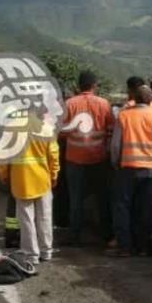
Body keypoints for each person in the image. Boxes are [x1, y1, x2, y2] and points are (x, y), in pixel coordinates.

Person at [108, 85, 152, 257]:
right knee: (145, 207)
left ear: (134, 99)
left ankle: (124, 247)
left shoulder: (124, 116)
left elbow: (115, 145)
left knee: (123, 207)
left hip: (127, 167)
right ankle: (143, 247)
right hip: (149, 170)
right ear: (150, 100)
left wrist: (116, 163)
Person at [0, 115, 60, 264]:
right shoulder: (46, 128)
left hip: (21, 180)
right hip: (43, 180)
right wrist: (54, 174)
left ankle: (31, 254)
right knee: (45, 217)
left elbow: (3, 157)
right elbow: (53, 155)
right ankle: (46, 251)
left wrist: (3, 175)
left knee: (26, 219)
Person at [62, 71, 114, 246]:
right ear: (94, 85)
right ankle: (106, 235)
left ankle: (74, 236)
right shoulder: (104, 104)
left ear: (79, 85)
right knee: (102, 198)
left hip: (74, 159)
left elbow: (61, 131)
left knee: (75, 199)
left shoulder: (69, 104)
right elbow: (111, 130)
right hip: (98, 158)